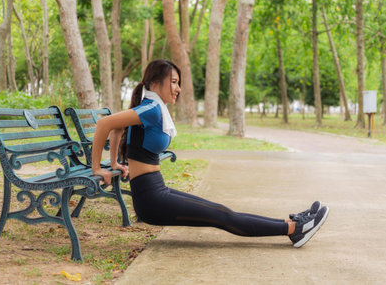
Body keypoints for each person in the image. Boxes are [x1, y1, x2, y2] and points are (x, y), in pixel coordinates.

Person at [91, 59, 329, 248]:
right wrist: (98, 168)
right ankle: (294, 230)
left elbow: (119, 127)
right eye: (173, 82)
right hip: (151, 199)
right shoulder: (152, 108)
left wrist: (117, 164)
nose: (178, 88)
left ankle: (291, 223)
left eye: (178, 82)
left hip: (154, 190)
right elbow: (105, 125)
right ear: (154, 83)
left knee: (223, 212)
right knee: (223, 217)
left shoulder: (149, 107)